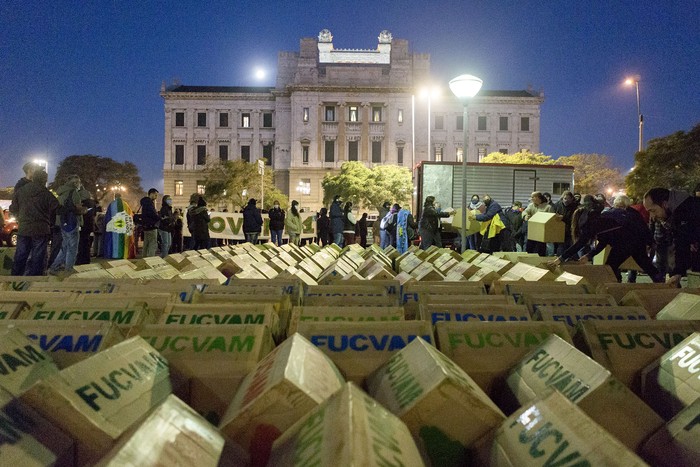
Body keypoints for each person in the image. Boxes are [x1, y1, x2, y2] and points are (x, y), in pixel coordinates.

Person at [550, 202, 663, 283]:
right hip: (636, 240)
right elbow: (603, 242)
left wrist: (560, 259)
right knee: (645, 264)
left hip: (624, 243)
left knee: (610, 267)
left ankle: (614, 287)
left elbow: (579, 244)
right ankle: (662, 283)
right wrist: (589, 255)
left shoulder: (591, 225)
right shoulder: (603, 220)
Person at [643, 187, 700, 287]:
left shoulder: (687, 211)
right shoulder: (677, 214)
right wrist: (678, 272)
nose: (652, 216)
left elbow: (682, 241)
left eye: (653, 210)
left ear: (664, 204)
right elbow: (681, 243)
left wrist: (678, 272)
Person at [10, 169, 59, 276]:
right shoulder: (46, 193)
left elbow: (13, 208)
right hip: (40, 229)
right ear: (44, 180)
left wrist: (20, 216)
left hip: (24, 228)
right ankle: (34, 279)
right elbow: (57, 208)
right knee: (38, 257)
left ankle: (15, 279)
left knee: (20, 255)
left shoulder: (21, 191)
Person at [49, 175, 86, 274]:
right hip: (72, 222)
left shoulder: (61, 193)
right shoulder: (74, 193)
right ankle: (69, 268)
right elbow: (78, 209)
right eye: (78, 182)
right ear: (74, 183)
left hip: (63, 222)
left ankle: (54, 267)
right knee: (72, 247)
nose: (80, 184)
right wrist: (84, 210)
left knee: (64, 246)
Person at [103, 193, 136, 259]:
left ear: (115, 197)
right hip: (124, 228)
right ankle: (124, 253)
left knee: (114, 240)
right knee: (123, 240)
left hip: (114, 228)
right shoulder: (126, 205)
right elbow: (130, 215)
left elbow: (107, 217)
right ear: (121, 196)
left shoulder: (111, 204)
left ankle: (114, 253)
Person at [522, 191, 553, 256]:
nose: (531, 199)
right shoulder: (531, 206)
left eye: (532, 197)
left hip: (542, 231)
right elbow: (525, 211)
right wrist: (525, 216)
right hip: (532, 230)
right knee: (529, 247)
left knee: (540, 248)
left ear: (537, 198)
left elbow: (551, 218)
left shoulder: (548, 207)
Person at [553, 191, 578, 257]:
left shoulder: (575, 207)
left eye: (568, 198)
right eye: (565, 198)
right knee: (561, 246)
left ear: (572, 199)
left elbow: (574, 218)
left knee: (570, 245)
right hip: (560, 229)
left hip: (571, 229)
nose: (566, 200)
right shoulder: (557, 205)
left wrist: (563, 218)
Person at [76, 188, 96, 265]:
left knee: (81, 243)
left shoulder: (83, 203)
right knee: (86, 243)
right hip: (89, 225)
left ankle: (81, 259)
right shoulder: (92, 203)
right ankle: (86, 259)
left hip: (83, 225)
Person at [139, 188, 161, 257]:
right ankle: (150, 259)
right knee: (152, 244)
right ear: (151, 194)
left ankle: (144, 258)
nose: (156, 197)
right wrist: (159, 217)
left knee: (146, 244)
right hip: (151, 226)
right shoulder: (149, 203)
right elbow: (152, 214)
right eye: (155, 195)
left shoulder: (144, 202)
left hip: (145, 226)